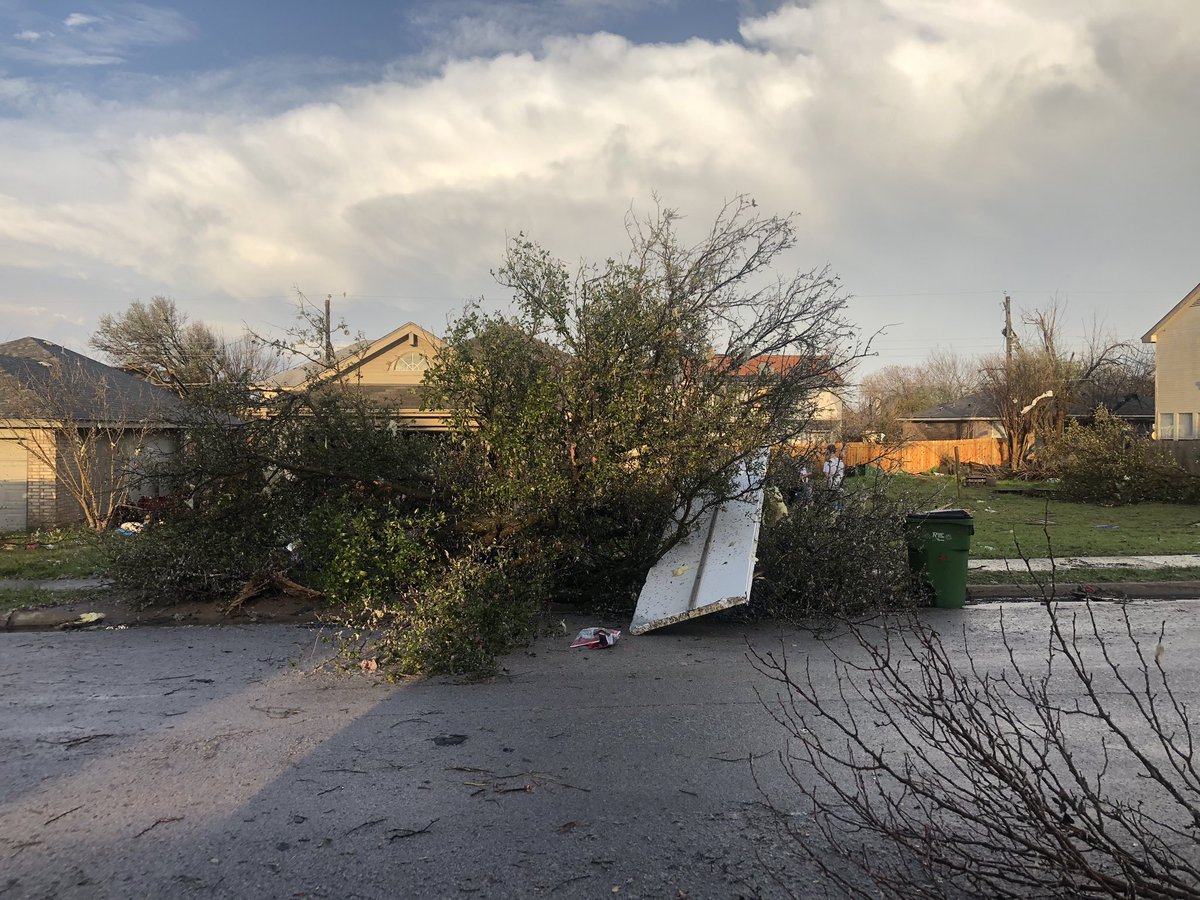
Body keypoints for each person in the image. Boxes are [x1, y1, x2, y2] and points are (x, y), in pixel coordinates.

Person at [822, 443, 845, 510]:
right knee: (840, 505)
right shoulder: (840, 462)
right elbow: (842, 474)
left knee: (833, 507)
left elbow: (827, 477)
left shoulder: (827, 463)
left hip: (831, 487)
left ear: (829, 451)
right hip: (839, 485)